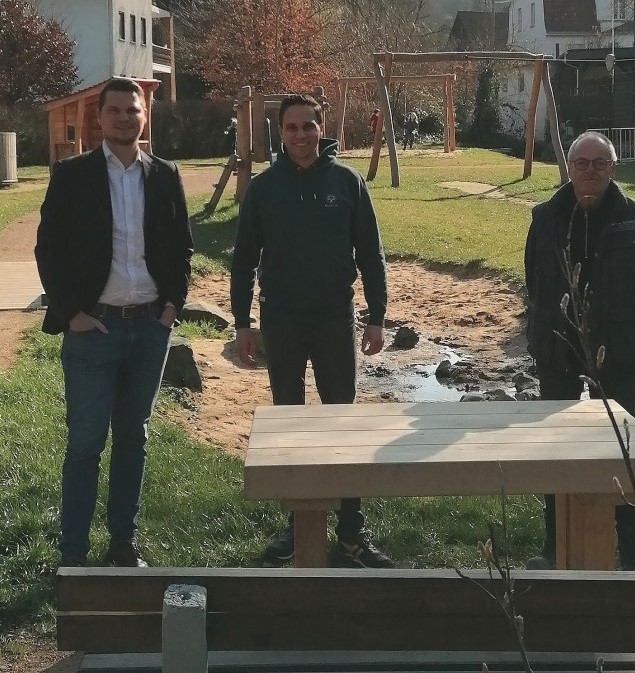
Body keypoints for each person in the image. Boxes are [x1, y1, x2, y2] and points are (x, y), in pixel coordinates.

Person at [36, 77, 194, 569]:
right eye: (116, 111)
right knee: (85, 444)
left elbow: (183, 248)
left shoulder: (165, 175)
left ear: (145, 115)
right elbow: (48, 251)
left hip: (150, 328)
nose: (126, 118)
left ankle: (123, 544)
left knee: (134, 438)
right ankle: (74, 556)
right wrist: (71, 314)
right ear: (99, 118)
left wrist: (171, 309)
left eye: (134, 110)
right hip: (94, 331)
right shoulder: (73, 175)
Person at [231, 93, 395, 569]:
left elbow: (371, 253)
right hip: (280, 321)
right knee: (290, 423)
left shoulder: (347, 182)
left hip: (334, 320)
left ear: (322, 131)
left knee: (342, 424)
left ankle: (350, 533)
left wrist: (378, 316)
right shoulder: (263, 189)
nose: (300, 135)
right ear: (279, 134)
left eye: (309, 127)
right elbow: (243, 261)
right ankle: (297, 528)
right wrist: (242, 322)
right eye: (291, 128)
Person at [523, 131, 635, 571]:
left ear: (612, 169)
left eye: (598, 164)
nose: (589, 171)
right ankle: (555, 545)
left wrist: (618, 324)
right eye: (581, 163)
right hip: (558, 346)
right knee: (555, 450)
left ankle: (630, 551)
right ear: (569, 168)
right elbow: (535, 280)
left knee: (620, 447)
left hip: (616, 348)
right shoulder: (545, 217)